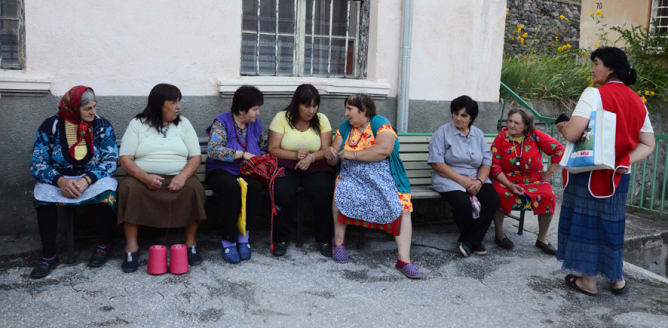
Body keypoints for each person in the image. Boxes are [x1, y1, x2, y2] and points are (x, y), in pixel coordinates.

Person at [556, 47, 654, 296]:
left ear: (610, 68)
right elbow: (648, 144)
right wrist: (624, 161)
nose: (592, 68)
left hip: (589, 173)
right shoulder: (637, 101)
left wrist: (562, 125)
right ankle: (616, 278)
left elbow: (573, 133)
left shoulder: (593, 94)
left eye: (596, 63)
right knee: (612, 224)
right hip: (618, 176)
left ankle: (587, 281)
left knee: (587, 223)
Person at [325, 94, 421, 279]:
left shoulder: (380, 123)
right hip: (352, 177)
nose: (346, 114)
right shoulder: (345, 128)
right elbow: (334, 158)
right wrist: (331, 154)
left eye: (349, 109)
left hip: (384, 177)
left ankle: (404, 260)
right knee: (341, 192)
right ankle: (338, 244)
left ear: (363, 110)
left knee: (403, 206)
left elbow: (383, 150)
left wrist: (352, 155)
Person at [29, 86, 118, 279]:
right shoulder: (50, 126)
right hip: (58, 179)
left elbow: (110, 161)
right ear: (73, 108)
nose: (93, 112)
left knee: (107, 193)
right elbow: (37, 163)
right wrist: (60, 181)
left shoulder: (102, 125)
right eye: (88, 109)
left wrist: (87, 180)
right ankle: (49, 255)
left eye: (94, 107)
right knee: (42, 198)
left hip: (91, 178)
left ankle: (104, 244)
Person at [117, 83, 206, 273]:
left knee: (194, 188)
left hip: (178, 177)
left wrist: (182, 177)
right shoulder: (138, 124)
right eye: (173, 102)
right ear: (159, 104)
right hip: (144, 179)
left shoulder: (183, 124)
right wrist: (145, 178)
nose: (178, 107)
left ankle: (190, 243)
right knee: (128, 188)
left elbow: (195, 157)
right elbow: (125, 158)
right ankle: (131, 247)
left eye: (179, 102)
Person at [428, 95, 500, 257]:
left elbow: (487, 161)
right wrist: (463, 181)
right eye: (455, 113)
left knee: (493, 199)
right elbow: (437, 163)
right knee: (463, 204)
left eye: (463, 115)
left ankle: (470, 240)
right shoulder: (443, 133)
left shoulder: (478, 134)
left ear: (472, 118)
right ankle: (474, 240)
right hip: (449, 179)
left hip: (475, 178)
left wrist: (480, 181)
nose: (458, 118)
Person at [268, 84, 334, 257]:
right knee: (282, 190)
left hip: (315, 165)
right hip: (287, 164)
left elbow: (326, 150)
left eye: (314, 106)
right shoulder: (282, 118)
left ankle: (324, 239)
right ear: (296, 103)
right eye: (306, 105)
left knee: (324, 190)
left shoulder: (322, 120)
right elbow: (272, 149)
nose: (311, 110)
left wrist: (310, 158)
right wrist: (295, 155)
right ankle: (281, 239)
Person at [490, 108, 564, 254]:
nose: (511, 125)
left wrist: (549, 173)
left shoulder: (535, 136)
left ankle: (542, 239)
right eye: (510, 121)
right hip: (507, 179)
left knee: (548, 195)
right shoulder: (501, 138)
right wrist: (509, 185)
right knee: (499, 193)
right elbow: (494, 166)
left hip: (533, 180)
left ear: (526, 125)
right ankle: (499, 235)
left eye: (516, 123)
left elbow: (559, 149)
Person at [205, 85, 265, 264]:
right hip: (220, 171)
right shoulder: (222, 122)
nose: (258, 113)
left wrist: (257, 159)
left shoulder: (255, 124)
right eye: (255, 109)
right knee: (231, 189)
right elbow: (213, 150)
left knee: (254, 188)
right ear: (241, 109)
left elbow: (259, 146)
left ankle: (243, 236)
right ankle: (228, 239)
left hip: (245, 171)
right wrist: (242, 154)